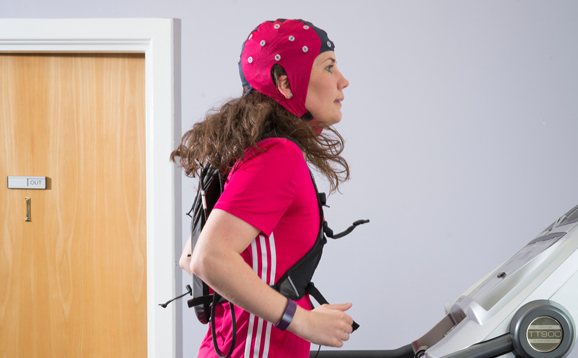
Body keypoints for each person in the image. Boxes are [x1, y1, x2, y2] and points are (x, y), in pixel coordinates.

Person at [172, 19, 353, 358]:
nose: (343, 81)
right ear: (285, 82)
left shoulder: (258, 150)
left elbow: (190, 255)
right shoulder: (277, 155)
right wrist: (301, 320)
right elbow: (207, 258)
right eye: (329, 67)